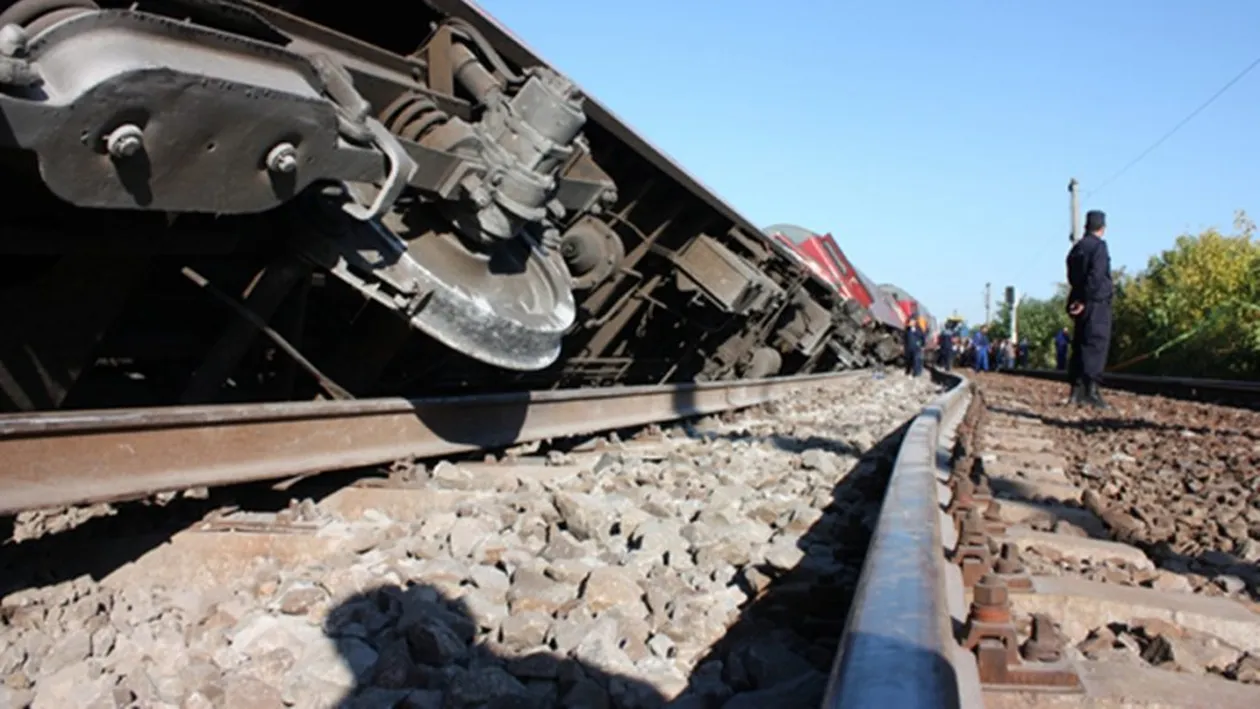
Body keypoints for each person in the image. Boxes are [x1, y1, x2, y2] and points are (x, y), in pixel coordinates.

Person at [1066, 210, 1113, 408]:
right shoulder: (1099, 247)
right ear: (1102, 228)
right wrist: (1086, 298)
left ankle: (1075, 392)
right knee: (1096, 345)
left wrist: (1077, 299)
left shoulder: (1077, 248)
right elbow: (1097, 275)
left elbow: (1071, 274)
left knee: (1080, 345)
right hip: (1095, 303)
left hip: (1079, 303)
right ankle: (1091, 392)